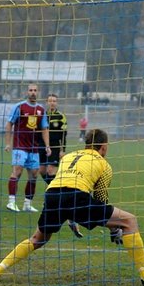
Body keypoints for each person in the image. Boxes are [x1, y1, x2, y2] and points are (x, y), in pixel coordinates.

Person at [0, 129, 144, 286]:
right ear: (103, 146)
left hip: (52, 195)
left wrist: (72, 216)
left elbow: (65, 185)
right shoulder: (103, 164)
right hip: (77, 196)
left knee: (37, 238)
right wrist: (114, 227)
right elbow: (100, 200)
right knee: (129, 221)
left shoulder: (68, 156)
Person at [38, 93, 82, 238]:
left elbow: (64, 135)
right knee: (42, 171)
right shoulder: (42, 115)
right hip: (42, 147)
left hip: (55, 149)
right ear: (46, 102)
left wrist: (63, 150)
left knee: (51, 171)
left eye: (54, 101)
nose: (52, 103)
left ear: (57, 103)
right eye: (50, 100)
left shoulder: (61, 116)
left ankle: (60, 199)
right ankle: (58, 192)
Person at [5, 84, 51, 213]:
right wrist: (8, 143)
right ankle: (11, 202)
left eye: (35, 90)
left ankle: (27, 203)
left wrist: (47, 146)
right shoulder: (19, 107)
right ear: (27, 92)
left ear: (38, 92)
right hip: (20, 146)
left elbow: (44, 129)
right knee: (17, 171)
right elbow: (9, 124)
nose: (33, 93)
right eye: (31, 90)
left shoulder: (41, 109)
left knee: (34, 175)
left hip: (33, 148)